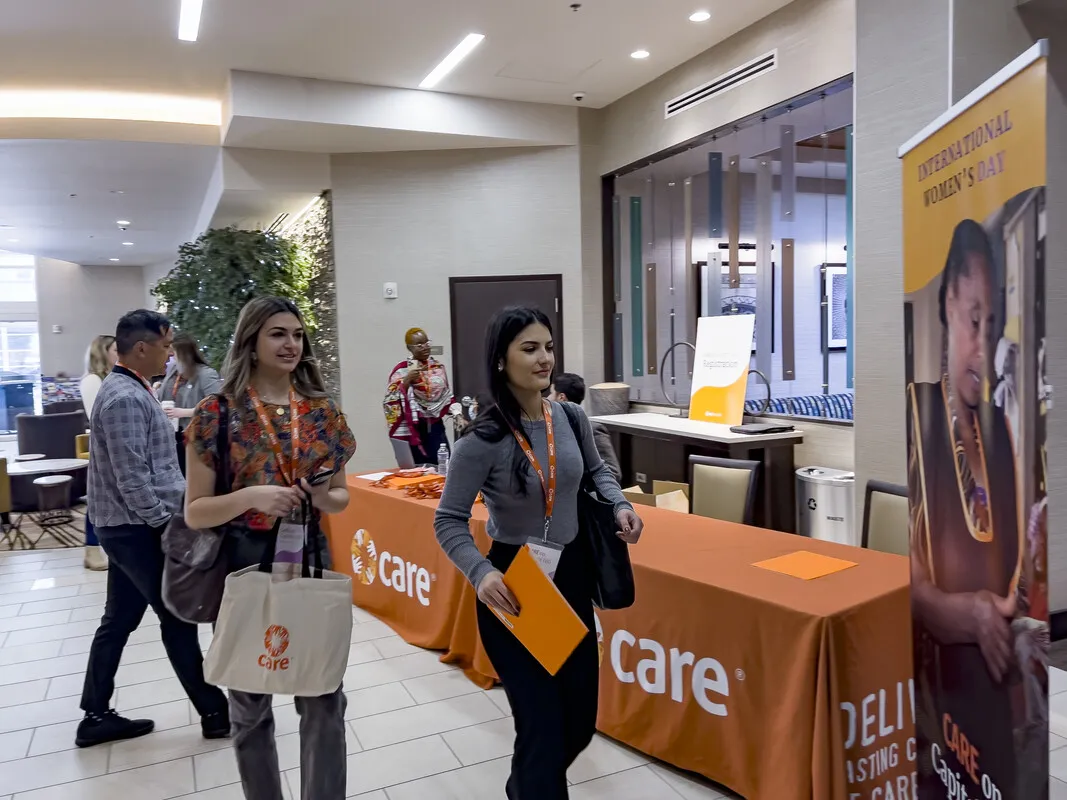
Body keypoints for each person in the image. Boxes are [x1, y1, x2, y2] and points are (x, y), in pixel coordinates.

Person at [434, 306, 642, 800]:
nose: (544, 358)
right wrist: (481, 572)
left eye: (548, 346)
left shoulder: (569, 417)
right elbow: (448, 519)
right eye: (529, 348)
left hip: (571, 576)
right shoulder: (481, 440)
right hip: (514, 584)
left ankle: (523, 786)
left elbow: (598, 472)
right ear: (501, 360)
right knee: (542, 729)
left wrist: (619, 505)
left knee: (579, 722)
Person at [184, 296, 356, 800]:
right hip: (243, 560)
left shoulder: (322, 413)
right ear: (251, 342)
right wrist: (251, 497)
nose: (291, 344)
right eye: (278, 334)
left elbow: (341, 497)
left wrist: (321, 495)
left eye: (297, 335)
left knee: (323, 694)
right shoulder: (217, 413)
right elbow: (196, 511)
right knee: (249, 699)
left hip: (309, 555)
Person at [77, 310, 230, 748]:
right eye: (165, 347)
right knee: (176, 615)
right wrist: (166, 526)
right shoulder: (125, 397)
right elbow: (132, 478)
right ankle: (214, 711)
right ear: (141, 348)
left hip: (127, 525)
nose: (170, 355)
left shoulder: (134, 387)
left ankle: (95, 715)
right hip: (136, 528)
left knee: (119, 619)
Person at [908, 219, 1019, 794]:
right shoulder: (917, 417)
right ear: (949, 302)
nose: (984, 348)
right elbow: (907, 581)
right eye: (975, 321)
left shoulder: (1001, 433)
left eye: (992, 326)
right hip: (939, 712)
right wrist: (967, 615)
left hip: (995, 714)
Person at [383, 328, 456, 467]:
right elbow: (390, 399)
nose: (425, 347)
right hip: (413, 428)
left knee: (443, 466)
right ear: (409, 348)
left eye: (427, 343)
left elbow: (446, 396)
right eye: (419, 345)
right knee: (416, 469)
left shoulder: (438, 367)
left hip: (435, 426)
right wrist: (406, 381)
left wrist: (457, 413)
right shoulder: (401, 369)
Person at [156, 332, 222, 475]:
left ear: (184, 354)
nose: (169, 357)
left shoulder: (206, 374)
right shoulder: (174, 371)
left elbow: (219, 404)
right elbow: (166, 393)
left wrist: (185, 412)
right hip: (172, 436)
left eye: (173, 353)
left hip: (195, 438)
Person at [79, 334, 117, 571]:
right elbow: (100, 415)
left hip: (113, 446)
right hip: (105, 448)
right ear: (103, 353)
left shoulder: (110, 378)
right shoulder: (93, 380)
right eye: (115, 350)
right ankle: (91, 549)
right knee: (98, 499)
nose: (119, 354)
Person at [551, 372, 622, 482]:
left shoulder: (592, 429)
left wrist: (577, 485)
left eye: (551, 393)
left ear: (561, 397)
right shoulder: (550, 428)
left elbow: (613, 473)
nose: (547, 398)